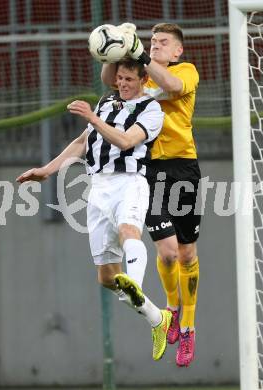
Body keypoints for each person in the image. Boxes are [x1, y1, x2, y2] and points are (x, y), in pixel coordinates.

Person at [16, 57, 172, 362]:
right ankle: (157, 318)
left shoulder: (152, 110)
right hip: (98, 188)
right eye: (120, 79)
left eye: (130, 79)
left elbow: (127, 141)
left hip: (130, 183)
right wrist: (47, 170)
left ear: (143, 81)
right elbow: (82, 141)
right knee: (105, 277)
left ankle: (135, 284)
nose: (124, 84)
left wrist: (93, 117)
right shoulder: (106, 102)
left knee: (130, 232)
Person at [101, 23, 201, 367]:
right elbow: (109, 80)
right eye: (153, 40)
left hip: (184, 168)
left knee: (187, 254)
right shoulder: (142, 73)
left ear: (177, 51)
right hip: (149, 171)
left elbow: (172, 86)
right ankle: (171, 311)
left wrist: (141, 53)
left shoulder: (184, 71)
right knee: (168, 251)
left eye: (163, 42)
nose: (156, 45)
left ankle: (187, 327)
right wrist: (113, 47)